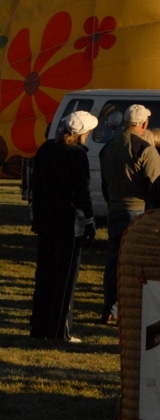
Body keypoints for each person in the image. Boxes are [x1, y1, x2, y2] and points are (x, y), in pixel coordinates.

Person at [30, 110, 98, 343]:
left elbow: (35, 185)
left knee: (44, 276)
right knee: (65, 277)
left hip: (46, 221)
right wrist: (89, 221)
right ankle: (59, 330)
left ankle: (38, 328)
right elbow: (81, 192)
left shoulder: (46, 149)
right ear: (83, 133)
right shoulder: (77, 155)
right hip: (68, 223)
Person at [99, 103, 160, 324]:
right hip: (137, 211)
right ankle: (125, 308)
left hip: (115, 209)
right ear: (145, 124)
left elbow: (104, 184)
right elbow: (157, 185)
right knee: (135, 263)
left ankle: (110, 306)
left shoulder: (108, 147)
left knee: (113, 261)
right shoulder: (145, 149)